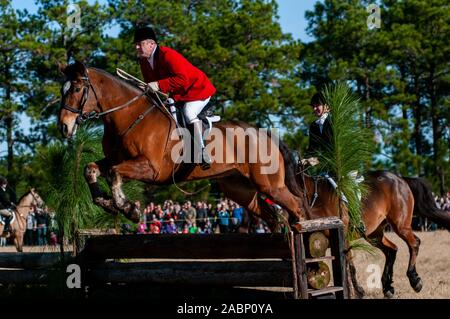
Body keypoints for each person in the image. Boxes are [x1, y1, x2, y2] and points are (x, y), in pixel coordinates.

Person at [134, 25, 216, 169]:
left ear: (151, 44)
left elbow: (182, 79)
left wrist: (158, 85)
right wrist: (146, 88)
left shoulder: (167, 54)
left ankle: (202, 152)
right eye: (136, 44)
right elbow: (151, 85)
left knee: (188, 112)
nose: (136, 47)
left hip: (197, 90)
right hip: (178, 94)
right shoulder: (144, 61)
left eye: (139, 44)